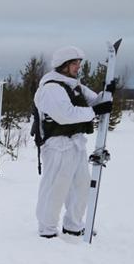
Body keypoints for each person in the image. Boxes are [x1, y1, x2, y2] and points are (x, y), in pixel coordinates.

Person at [33, 46, 114, 238]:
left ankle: (73, 225)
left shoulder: (73, 85)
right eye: (74, 63)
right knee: (56, 186)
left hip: (75, 143)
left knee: (81, 185)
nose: (78, 67)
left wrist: (108, 92)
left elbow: (95, 102)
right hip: (57, 145)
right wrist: (94, 112)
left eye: (79, 63)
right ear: (64, 65)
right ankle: (47, 228)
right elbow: (65, 115)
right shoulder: (51, 88)